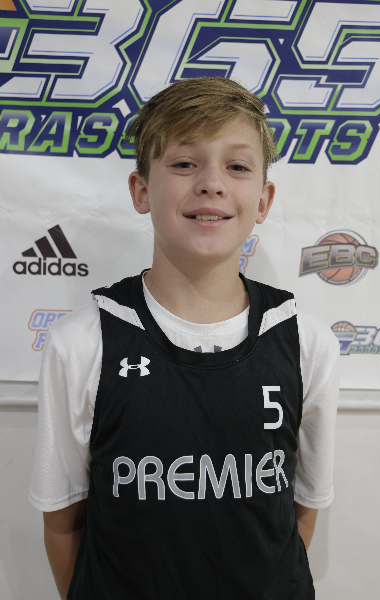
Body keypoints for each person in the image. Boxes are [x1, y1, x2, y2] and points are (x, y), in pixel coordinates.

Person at [29, 77, 339, 600]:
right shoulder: (80, 343)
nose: (212, 183)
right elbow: (63, 522)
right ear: (141, 191)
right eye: (184, 163)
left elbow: (300, 511)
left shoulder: (306, 340)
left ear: (263, 200)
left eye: (237, 166)